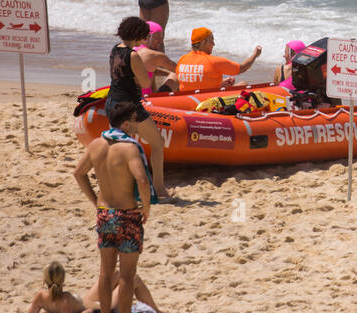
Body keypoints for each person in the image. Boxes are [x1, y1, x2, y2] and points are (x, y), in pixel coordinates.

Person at [72, 99, 153, 313]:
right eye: (135, 122)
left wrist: (94, 200)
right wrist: (146, 207)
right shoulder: (129, 148)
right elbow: (142, 180)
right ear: (126, 124)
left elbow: (78, 174)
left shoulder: (96, 144)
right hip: (127, 214)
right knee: (127, 274)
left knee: (105, 272)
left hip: (105, 213)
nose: (137, 126)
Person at [105, 16, 169, 198]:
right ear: (138, 34)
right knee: (157, 144)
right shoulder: (134, 56)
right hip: (130, 106)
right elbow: (145, 81)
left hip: (112, 103)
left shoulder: (115, 49)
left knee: (118, 146)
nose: (146, 36)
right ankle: (159, 188)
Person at [176, 27, 261, 92]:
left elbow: (196, 83)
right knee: (243, 84)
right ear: (204, 42)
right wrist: (255, 55)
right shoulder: (213, 61)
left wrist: (221, 83)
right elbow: (242, 68)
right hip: (209, 103)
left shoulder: (182, 60)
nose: (214, 44)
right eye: (211, 40)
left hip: (188, 100)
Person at [82, 267, 160, 313]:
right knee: (132, 279)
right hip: (97, 311)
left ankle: (156, 311)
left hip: (86, 305)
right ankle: (158, 312)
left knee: (115, 272)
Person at [24, 262, 91, 313]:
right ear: (63, 280)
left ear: (44, 281)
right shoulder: (64, 300)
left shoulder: (40, 296)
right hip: (72, 302)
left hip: (80, 305)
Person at [133, 21, 179, 94]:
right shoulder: (154, 55)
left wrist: (167, 73)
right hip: (146, 98)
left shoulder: (129, 50)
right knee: (176, 75)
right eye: (157, 38)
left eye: (161, 38)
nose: (160, 41)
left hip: (127, 96)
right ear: (148, 37)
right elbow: (181, 70)